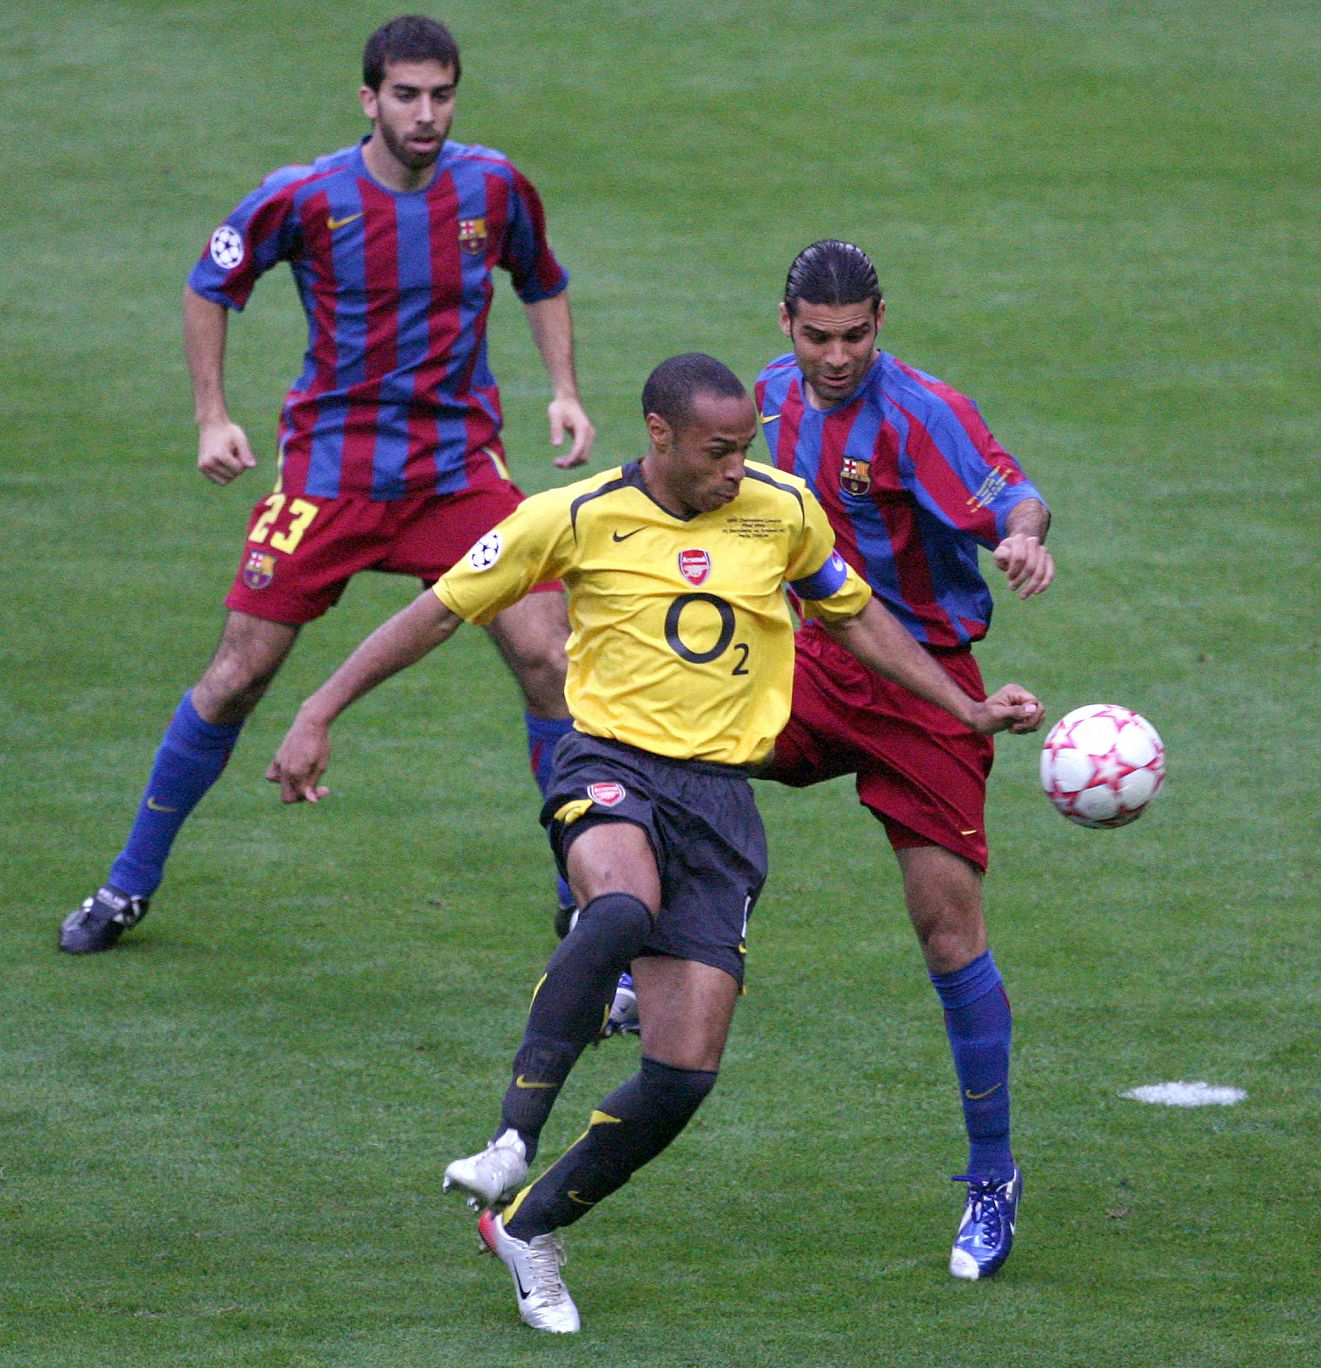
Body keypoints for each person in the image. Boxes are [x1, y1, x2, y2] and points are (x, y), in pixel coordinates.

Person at [267, 353, 1044, 1332]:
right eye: (718, 451)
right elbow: (435, 611)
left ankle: (528, 1224)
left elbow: (859, 620)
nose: (734, 469)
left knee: (681, 1075)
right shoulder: (575, 515)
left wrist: (962, 707)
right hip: (611, 764)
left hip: (719, 805)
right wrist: (319, 707)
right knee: (621, 902)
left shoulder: (782, 509)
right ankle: (512, 1132)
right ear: (661, 435)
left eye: (746, 449)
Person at [59, 15, 594, 954]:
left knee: (549, 660)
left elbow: (539, 280)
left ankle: (581, 900)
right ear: (368, 99)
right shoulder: (302, 197)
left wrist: (563, 392)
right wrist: (211, 416)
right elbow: (208, 286)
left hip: (457, 476)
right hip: (330, 476)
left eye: (441, 95)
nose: (425, 114)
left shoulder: (494, 185)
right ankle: (127, 886)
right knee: (236, 677)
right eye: (406, 95)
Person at [755, 240, 1055, 1280]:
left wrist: (1022, 536)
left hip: (928, 684)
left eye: (855, 335)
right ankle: (640, 934)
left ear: (880, 319)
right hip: (807, 658)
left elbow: (1012, 490)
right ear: (786, 322)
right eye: (816, 336)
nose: (835, 357)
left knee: (945, 927)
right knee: (669, 731)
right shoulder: (759, 404)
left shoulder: (924, 413)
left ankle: (990, 1178)